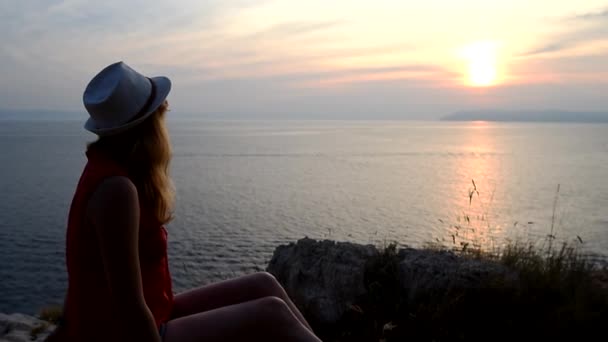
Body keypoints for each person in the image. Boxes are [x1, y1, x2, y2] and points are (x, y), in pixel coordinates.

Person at [49, 62, 321, 341]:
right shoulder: (116, 190)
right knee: (271, 314)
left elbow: (85, 270)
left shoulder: (109, 171)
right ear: (149, 126)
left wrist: (61, 328)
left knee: (263, 284)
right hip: (123, 333)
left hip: (156, 311)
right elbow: (129, 308)